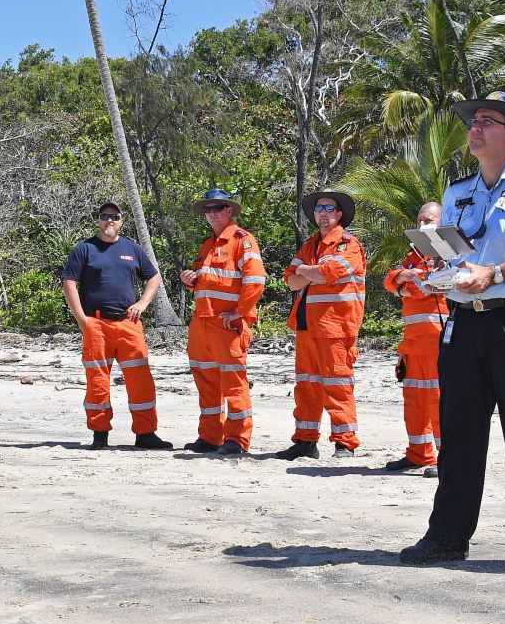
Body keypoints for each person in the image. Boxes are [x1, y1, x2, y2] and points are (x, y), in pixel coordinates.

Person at [397, 92, 505, 574]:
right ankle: (448, 536)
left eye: (487, 121)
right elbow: (457, 256)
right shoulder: (458, 193)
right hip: (464, 319)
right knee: (459, 431)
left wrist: (494, 275)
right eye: (473, 121)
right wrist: (439, 274)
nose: (475, 127)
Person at [62, 202, 172, 450]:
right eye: (104, 216)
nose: (109, 220)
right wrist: (82, 321)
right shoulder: (85, 249)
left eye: (114, 217)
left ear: (122, 221)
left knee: (141, 380)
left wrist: (143, 303)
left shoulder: (132, 249)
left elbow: (153, 277)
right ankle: (100, 434)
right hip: (96, 324)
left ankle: (146, 434)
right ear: (99, 220)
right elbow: (70, 284)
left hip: (129, 324)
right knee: (98, 381)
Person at [277, 190, 369, 460]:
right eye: (319, 209)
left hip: (336, 328)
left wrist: (308, 270)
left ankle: (345, 442)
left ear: (339, 215)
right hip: (306, 326)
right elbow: (291, 280)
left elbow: (326, 274)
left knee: (338, 385)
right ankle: (306, 441)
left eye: (329, 208)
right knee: (306, 386)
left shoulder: (348, 244)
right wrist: (311, 271)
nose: (323, 213)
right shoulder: (310, 245)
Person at [179, 188, 267, 455]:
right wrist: (190, 281)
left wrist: (240, 312)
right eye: (208, 209)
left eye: (218, 208)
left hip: (226, 326)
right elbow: (208, 282)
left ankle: (236, 439)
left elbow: (256, 281)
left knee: (233, 383)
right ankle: (209, 436)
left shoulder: (242, 240)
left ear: (230, 211)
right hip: (201, 324)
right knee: (206, 383)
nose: (212, 213)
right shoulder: (208, 244)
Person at [383, 201, 449, 475]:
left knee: (438, 400)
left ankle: (447, 458)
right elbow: (389, 280)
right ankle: (418, 454)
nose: (423, 225)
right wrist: (401, 282)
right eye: (421, 220)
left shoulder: (447, 253)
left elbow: (427, 287)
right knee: (414, 400)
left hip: (438, 342)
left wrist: (407, 281)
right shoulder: (414, 255)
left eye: (430, 220)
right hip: (412, 344)